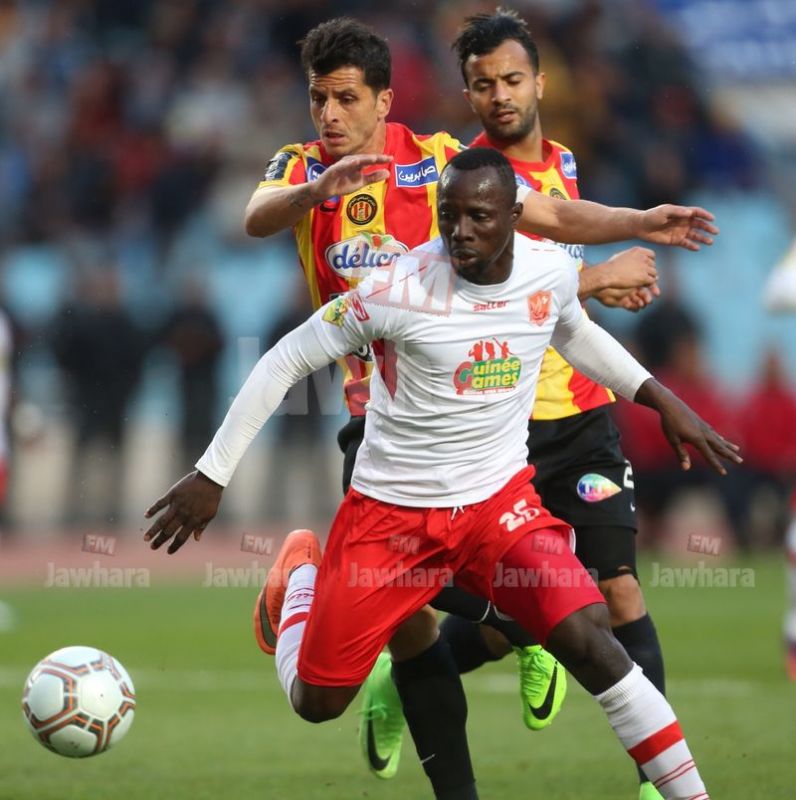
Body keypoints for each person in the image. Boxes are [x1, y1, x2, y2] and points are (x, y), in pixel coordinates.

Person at [144, 150, 738, 800]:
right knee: (317, 701)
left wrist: (661, 400)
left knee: (591, 638)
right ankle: (302, 579)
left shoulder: (547, 270)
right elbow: (286, 359)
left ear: (514, 215)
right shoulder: (397, 289)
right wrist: (211, 473)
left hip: (497, 510)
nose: (459, 232)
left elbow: (573, 333)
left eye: (478, 217)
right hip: (390, 520)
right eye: (448, 215)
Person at [238, 17, 718, 800]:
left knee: (594, 598)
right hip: (385, 420)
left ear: (384, 99)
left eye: (344, 98)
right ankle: (356, 618)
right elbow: (258, 215)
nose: (327, 114)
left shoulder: (439, 161)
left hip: (505, 413)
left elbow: (538, 227)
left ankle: (630, 752)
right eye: (317, 98)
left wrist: (635, 225)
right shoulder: (301, 165)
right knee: (413, 622)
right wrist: (313, 191)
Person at [355, 13, 676, 800]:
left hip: (584, 415)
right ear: (466, 93)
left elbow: (551, 283)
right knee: (515, 617)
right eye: (483, 84)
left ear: (540, 81)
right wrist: (599, 276)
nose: (499, 95)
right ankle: (405, 677)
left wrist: (597, 291)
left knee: (620, 590)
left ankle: (653, 782)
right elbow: (483, 291)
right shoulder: (466, 181)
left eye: (511, 79)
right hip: (504, 423)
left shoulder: (563, 161)